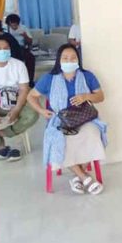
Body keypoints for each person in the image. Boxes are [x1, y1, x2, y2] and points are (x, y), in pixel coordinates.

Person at [28, 44, 106, 195]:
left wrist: (86, 96)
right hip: (60, 120)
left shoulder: (87, 76)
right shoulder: (49, 79)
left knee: (93, 134)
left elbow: (100, 96)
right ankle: (84, 177)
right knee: (61, 140)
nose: (69, 60)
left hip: (84, 117)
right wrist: (42, 111)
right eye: (65, 58)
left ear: (78, 59)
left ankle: (78, 177)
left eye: (73, 58)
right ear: (59, 60)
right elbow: (31, 96)